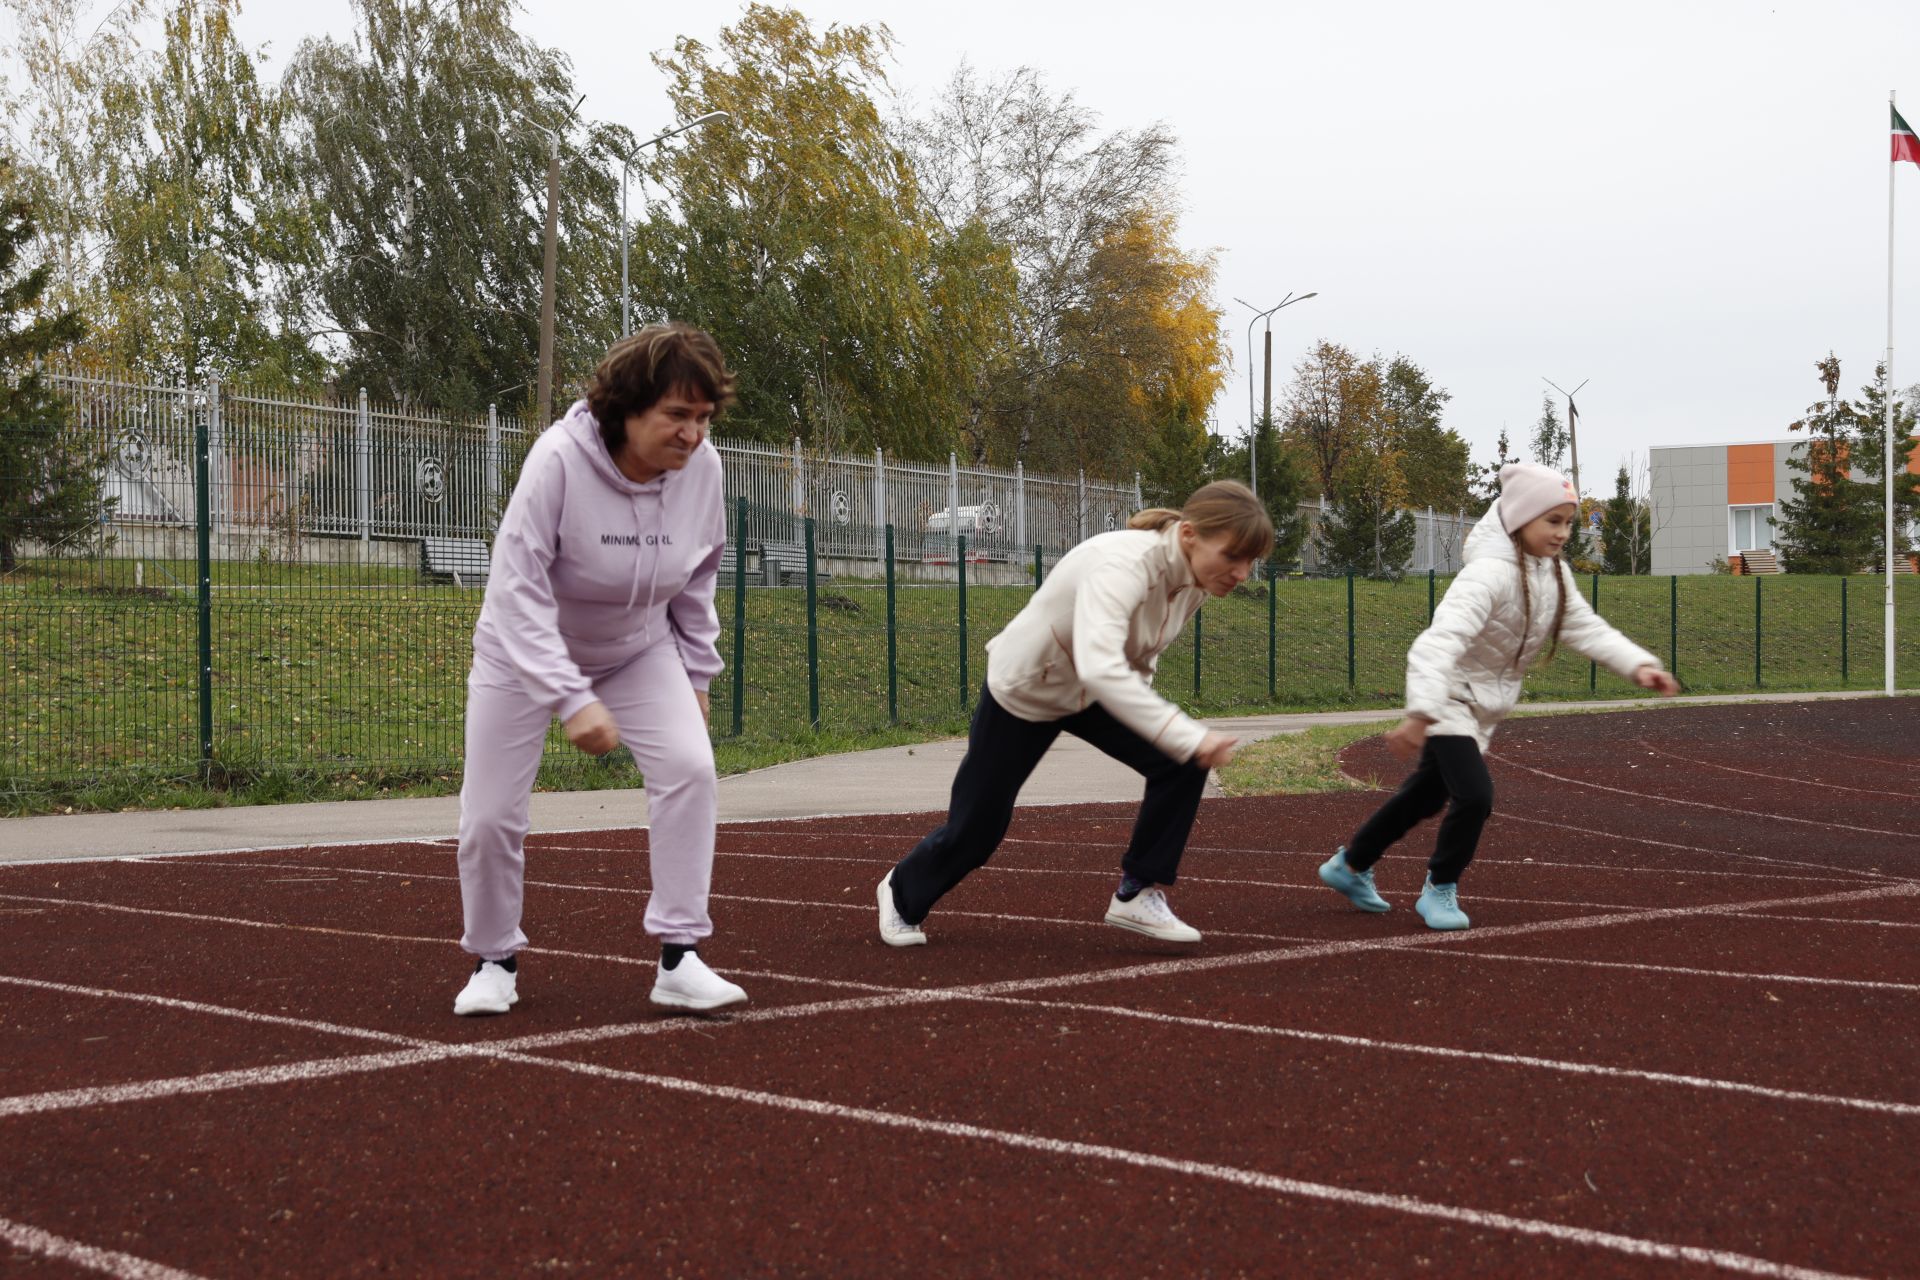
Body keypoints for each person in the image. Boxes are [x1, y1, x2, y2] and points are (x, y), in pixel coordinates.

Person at [452, 324, 747, 1015]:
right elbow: (514, 589)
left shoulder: (704, 470)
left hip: (638, 648)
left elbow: (700, 572)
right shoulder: (556, 462)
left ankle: (680, 957)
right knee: (490, 817)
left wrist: (698, 674)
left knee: (691, 769)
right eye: (676, 416)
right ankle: (494, 961)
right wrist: (568, 697)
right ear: (626, 409)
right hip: (522, 653)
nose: (692, 435)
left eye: (703, 418)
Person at [877, 481, 1274, 948]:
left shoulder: (1194, 580)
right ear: (1189, 535)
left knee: (1184, 759)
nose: (1243, 572)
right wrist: (1179, 729)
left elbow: (1140, 655)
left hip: (1092, 692)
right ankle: (901, 892)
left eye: (1251, 561)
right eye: (1234, 556)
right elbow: (1101, 662)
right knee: (978, 831)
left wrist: (1170, 733)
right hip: (1029, 689)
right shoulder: (1122, 565)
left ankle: (1135, 891)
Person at [1317, 461, 1681, 930]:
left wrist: (1640, 665)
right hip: (1450, 700)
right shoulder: (1486, 574)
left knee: (1427, 796)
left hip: (1482, 706)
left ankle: (1349, 865)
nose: (1563, 533)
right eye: (1553, 521)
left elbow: (1584, 627)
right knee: (1475, 796)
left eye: (1568, 523)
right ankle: (1440, 889)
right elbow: (1437, 643)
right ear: (1518, 519)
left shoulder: (1554, 575)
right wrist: (1421, 712)